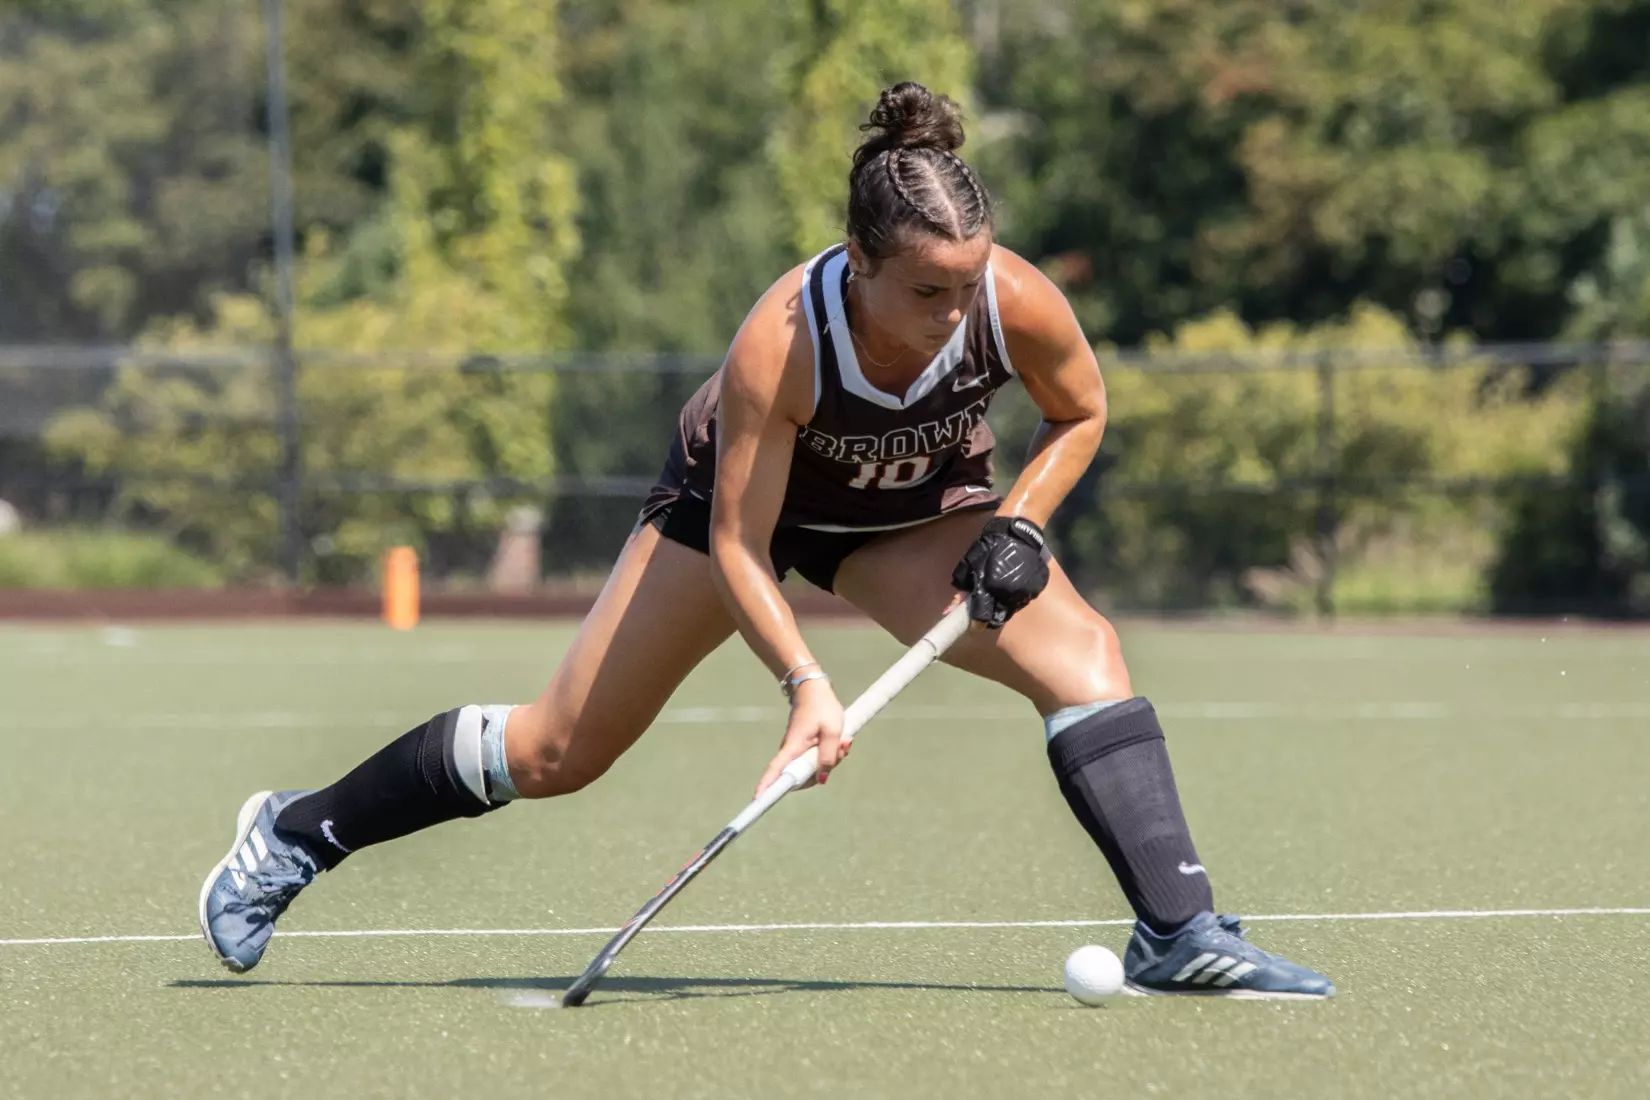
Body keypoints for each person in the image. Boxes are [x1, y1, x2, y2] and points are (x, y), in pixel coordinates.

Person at [199, 82, 1333, 999]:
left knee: (1084, 657)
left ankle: (1176, 930)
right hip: (737, 513)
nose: (955, 311)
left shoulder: (1012, 298)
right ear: (860, 259)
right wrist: (805, 683)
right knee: (556, 751)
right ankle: (294, 834)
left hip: (906, 511)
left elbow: (1082, 413)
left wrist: (1024, 519)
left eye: (968, 282)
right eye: (929, 289)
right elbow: (744, 543)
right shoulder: (781, 341)